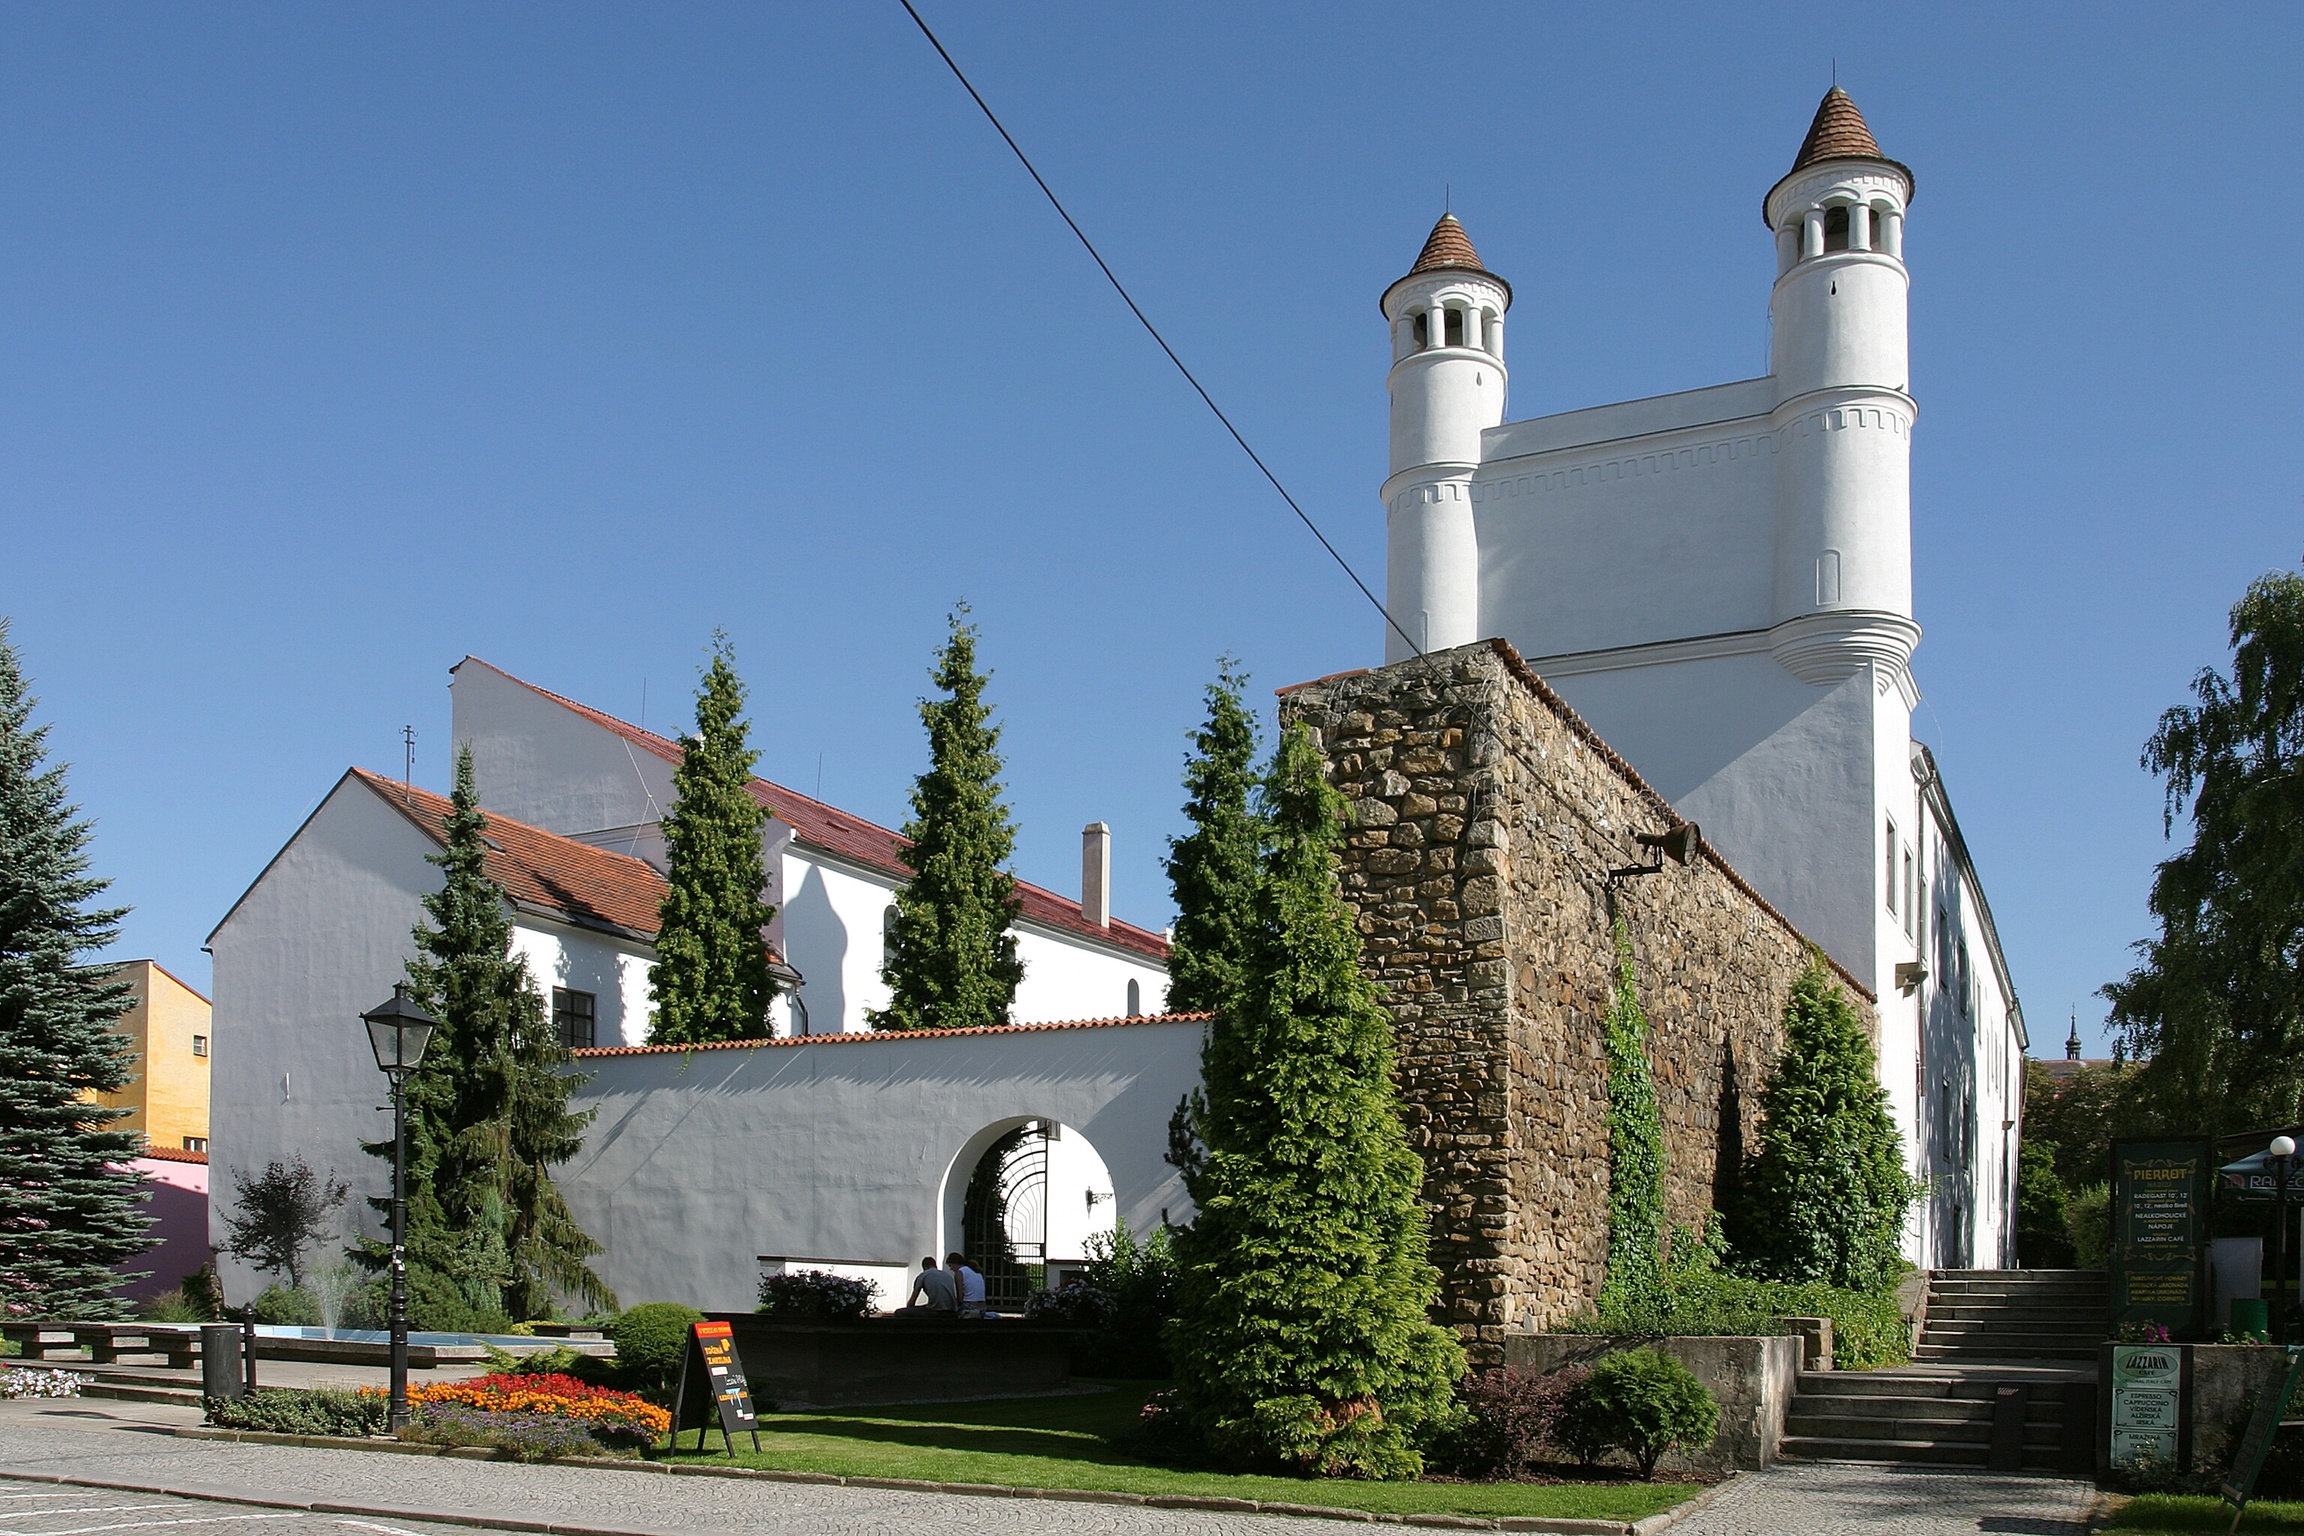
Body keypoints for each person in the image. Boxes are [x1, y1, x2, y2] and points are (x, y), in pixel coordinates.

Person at [948, 1251, 987, 1318]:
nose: (950, 1268)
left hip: (970, 1307)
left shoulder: (959, 1273)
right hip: (983, 1308)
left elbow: (960, 1298)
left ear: (955, 1264)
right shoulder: (976, 1272)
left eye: (950, 1265)